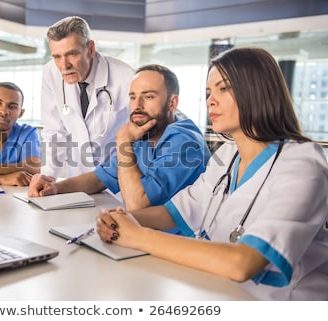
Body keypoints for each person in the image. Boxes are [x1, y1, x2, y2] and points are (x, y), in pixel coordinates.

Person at [96, 47, 328, 300]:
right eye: (208, 92)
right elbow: (172, 213)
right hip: (217, 291)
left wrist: (138, 236)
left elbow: (242, 263)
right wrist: (120, 219)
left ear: (258, 90)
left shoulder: (303, 163)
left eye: (223, 88)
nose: (210, 101)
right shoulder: (227, 155)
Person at [29, 64, 209, 211]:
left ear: (172, 103)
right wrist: (56, 187)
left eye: (148, 96)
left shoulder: (185, 142)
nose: (137, 105)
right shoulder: (144, 135)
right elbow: (99, 178)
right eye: (132, 97)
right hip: (144, 236)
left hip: (179, 244)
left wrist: (123, 141)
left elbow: (138, 205)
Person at [41, 16, 134, 179]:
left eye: (72, 54)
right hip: (77, 179)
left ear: (90, 49)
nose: (64, 65)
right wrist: (48, 176)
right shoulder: (50, 73)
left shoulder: (126, 77)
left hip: (117, 181)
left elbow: (162, 116)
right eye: (57, 56)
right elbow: (54, 132)